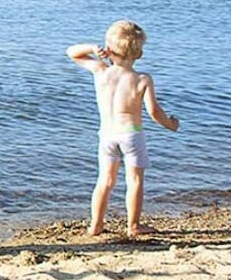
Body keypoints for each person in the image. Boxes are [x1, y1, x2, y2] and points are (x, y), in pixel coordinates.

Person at [68, 21, 181, 239]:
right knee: (135, 180)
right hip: (132, 134)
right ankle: (134, 225)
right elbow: (154, 112)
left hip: (107, 135)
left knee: (105, 181)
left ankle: (96, 225)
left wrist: (92, 48)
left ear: (108, 49)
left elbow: (72, 53)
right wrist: (171, 124)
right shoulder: (142, 79)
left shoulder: (101, 70)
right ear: (139, 53)